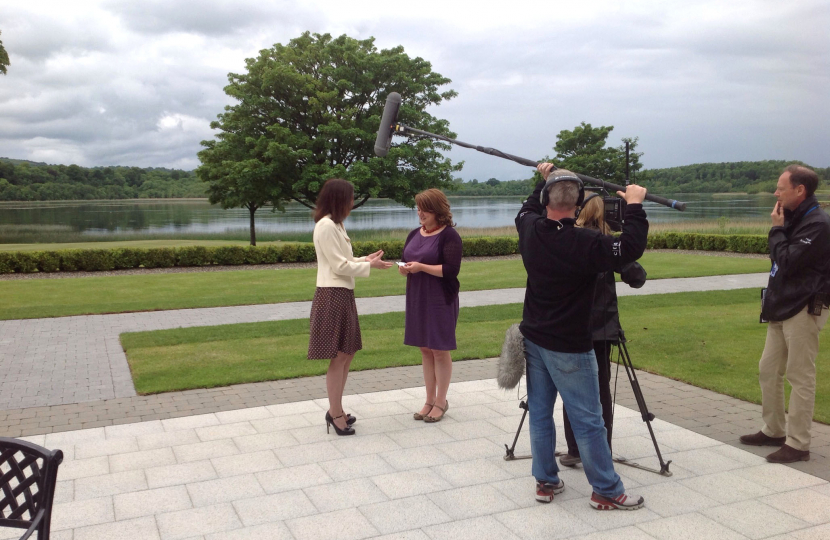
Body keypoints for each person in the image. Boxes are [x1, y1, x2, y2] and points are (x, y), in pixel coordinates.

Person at [517, 163, 648, 510]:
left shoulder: (529, 228)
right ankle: (606, 488)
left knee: (541, 413)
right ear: (577, 206)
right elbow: (630, 247)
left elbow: (527, 208)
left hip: (534, 337)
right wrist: (634, 205)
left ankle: (545, 480)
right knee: (589, 417)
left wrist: (544, 179)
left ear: (547, 200)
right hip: (570, 344)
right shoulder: (588, 242)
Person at [740, 165, 830, 462]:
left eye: (780, 188)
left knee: (799, 374)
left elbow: (788, 262)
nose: (776, 193)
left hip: (804, 306)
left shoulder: (817, 224)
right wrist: (782, 227)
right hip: (781, 305)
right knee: (768, 369)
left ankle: (798, 443)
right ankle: (774, 429)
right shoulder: (795, 219)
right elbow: (780, 260)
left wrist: (777, 229)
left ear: (800, 190)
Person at [559, 193, 647, 467]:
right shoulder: (605, 244)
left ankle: (576, 448)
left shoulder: (568, 239)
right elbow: (637, 277)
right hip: (599, 329)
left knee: (572, 388)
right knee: (600, 390)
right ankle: (599, 449)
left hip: (572, 327)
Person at [308, 178, 393, 436]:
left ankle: (337, 407)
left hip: (343, 294)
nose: (352, 203)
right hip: (332, 295)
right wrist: (370, 266)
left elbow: (344, 260)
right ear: (338, 199)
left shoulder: (337, 225)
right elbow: (339, 267)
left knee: (347, 353)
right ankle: (334, 413)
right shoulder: (325, 227)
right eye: (350, 198)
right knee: (339, 356)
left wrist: (364, 259)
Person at [399, 188, 462, 423]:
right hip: (417, 298)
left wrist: (421, 267)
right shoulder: (415, 233)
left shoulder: (449, 236)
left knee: (439, 349)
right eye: (418, 208)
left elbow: (451, 270)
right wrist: (404, 268)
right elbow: (407, 260)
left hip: (440, 299)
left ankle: (441, 401)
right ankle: (428, 399)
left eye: (424, 209)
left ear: (437, 210)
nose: (420, 213)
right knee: (424, 349)